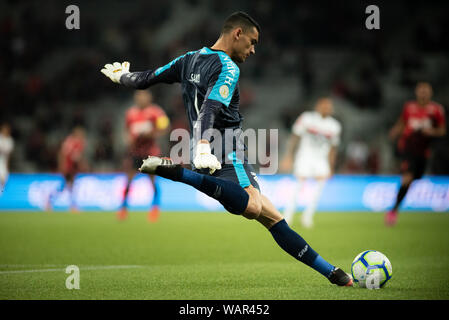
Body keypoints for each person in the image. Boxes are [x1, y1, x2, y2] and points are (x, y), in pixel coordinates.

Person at [101, 11, 352, 286]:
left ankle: (333, 273)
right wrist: (204, 145)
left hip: (204, 155)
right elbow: (211, 105)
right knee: (255, 207)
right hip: (224, 150)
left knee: (272, 217)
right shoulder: (229, 68)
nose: (254, 49)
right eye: (252, 42)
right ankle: (179, 174)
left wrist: (123, 77)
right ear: (237, 34)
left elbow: (148, 77)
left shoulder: (188, 59)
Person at [386, 82, 446, 225]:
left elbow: (442, 130)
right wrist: (395, 131)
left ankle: (395, 207)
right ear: (417, 92)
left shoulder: (436, 110)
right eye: (421, 91)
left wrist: (431, 131)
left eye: (426, 91)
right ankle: (393, 210)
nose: (423, 93)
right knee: (407, 177)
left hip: (423, 151)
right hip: (408, 148)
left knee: (415, 178)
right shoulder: (409, 107)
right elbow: (402, 123)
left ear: (430, 93)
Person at [280, 98, 341, 228]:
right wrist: (288, 156)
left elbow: (333, 148)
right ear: (318, 106)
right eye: (324, 106)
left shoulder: (335, 126)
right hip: (305, 156)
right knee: (298, 186)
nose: (326, 108)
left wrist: (331, 166)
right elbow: (295, 137)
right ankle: (288, 216)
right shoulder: (307, 118)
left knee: (319, 188)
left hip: (321, 159)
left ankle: (307, 217)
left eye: (329, 107)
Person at [119, 90, 170, 221]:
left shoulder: (155, 112)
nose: (141, 99)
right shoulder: (130, 113)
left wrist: (151, 134)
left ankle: (155, 208)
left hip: (151, 152)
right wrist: (129, 140)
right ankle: (123, 208)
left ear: (149, 98)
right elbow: (126, 131)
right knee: (129, 180)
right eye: (138, 97)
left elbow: (165, 127)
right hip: (135, 152)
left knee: (152, 181)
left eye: (143, 97)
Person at [48, 126, 88, 212]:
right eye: (81, 135)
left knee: (69, 186)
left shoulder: (76, 143)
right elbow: (64, 154)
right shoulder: (72, 142)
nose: (82, 136)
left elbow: (76, 156)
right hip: (68, 167)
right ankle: (51, 200)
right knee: (66, 186)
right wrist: (62, 165)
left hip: (72, 168)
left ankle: (71, 205)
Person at [0, 123, 14, 193]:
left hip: (3, 162)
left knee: (4, 178)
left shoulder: (9, 140)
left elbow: (8, 155)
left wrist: (7, 165)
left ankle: (1, 193)